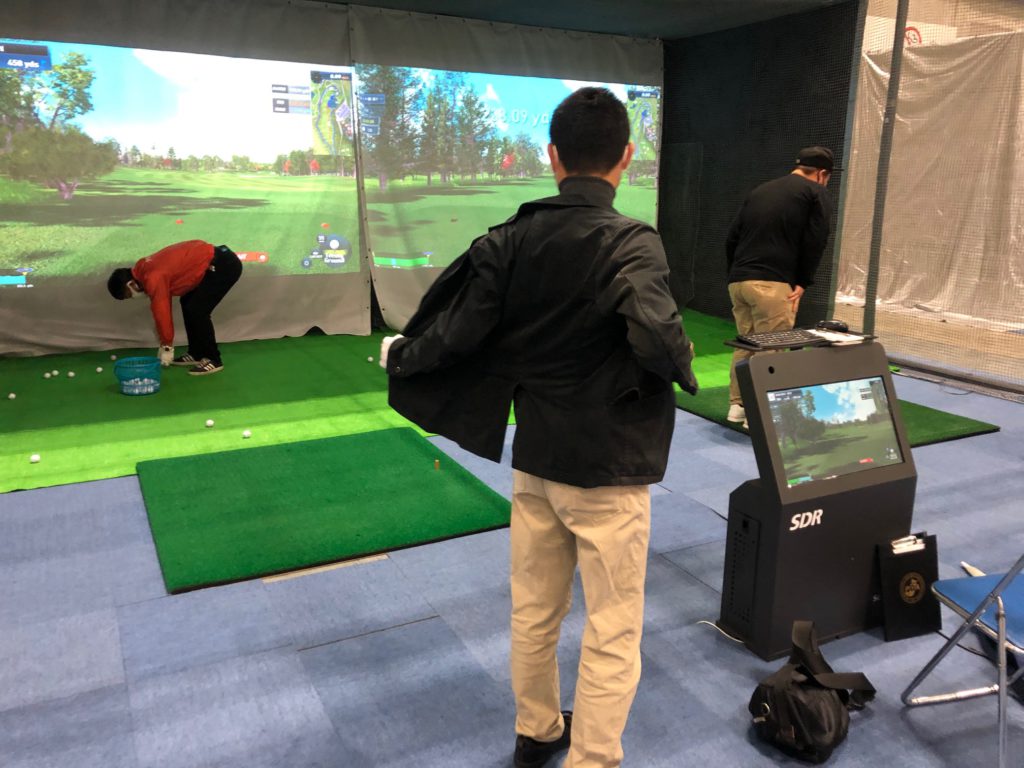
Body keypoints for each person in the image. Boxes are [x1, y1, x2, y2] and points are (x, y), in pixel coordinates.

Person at [380, 87, 698, 768]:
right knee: (613, 627)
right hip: (609, 469)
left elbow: (454, 333)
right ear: (627, 157)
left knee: (533, 610)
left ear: (553, 156)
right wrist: (682, 367)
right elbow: (657, 336)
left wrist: (401, 358)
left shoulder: (509, 239)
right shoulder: (631, 242)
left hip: (536, 460)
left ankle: (538, 730)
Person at [725, 146, 835, 426]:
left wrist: (736, 274)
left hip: (740, 280)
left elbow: (732, 237)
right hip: (773, 283)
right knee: (772, 348)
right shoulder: (815, 192)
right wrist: (803, 280)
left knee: (746, 343)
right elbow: (817, 238)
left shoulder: (760, 190)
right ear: (822, 173)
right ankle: (759, 415)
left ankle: (738, 406)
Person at [106, 240, 242, 375]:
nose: (132, 297)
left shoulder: (153, 277)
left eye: (128, 295)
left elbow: (162, 311)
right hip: (213, 261)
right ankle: (197, 353)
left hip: (224, 264)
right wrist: (165, 342)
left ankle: (213, 359)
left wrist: (167, 346)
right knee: (188, 303)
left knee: (197, 309)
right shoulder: (142, 270)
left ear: (131, 284)